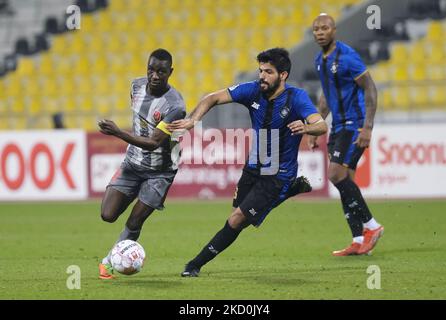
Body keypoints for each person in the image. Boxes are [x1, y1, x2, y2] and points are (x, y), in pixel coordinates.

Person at [167, 48, 328, 277]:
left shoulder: (296, 97)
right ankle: (291, 190)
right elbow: (211, 98)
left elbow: (321, 125)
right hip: (253, 167)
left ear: (283, 75)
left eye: (268, 72)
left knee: (236, 219)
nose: (262, 76)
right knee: (238, 218)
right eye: (260, 70)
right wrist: (193, 120)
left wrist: (307, 127)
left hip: (278, 173)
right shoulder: (253, 90)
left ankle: (194, 265)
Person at [97, 48, 186, 279]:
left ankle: (110, 262)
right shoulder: (135, 87)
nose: (155, 76)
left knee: (135, 219)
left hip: (160, 171)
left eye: (161, 72)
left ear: (170, 72)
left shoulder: (175, 106)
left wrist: (118, 132)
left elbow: (154, 143)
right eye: (151, 69)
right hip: (132, 164)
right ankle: (120, 246)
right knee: (107, 214)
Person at [310, 14, 384, 256]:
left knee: (335, 174)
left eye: (325, 28)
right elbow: (325, 96)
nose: (320, 32)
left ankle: (372, 227)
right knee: (346, 182)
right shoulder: (319, 60)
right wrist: (316, 126)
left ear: (334, 30)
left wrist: (368, 127)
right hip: (338, 126)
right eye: (316, 29)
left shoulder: (347, 57)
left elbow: (370, 88)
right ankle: (358, 239)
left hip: (354, 124)